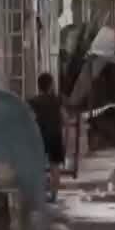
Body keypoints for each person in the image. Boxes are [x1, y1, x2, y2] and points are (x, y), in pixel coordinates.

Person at [29, 73, 65, 203]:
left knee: (38, 166)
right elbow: (64, 117)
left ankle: (40, 194)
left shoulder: (33, 102)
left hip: (41, 136)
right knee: (55, 166)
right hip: (55, 136)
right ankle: (54, 196)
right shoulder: (57, 100)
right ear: (51, 85)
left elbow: (30, 119)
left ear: (39, 86)